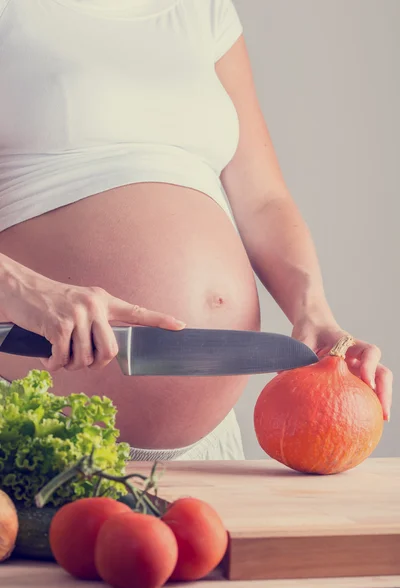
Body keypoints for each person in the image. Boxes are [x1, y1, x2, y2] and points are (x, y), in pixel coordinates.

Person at [0, 0, 392, 461]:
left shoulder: (202, 11)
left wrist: (315, 311)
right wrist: (24, 288)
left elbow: (263, 199)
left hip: (208, 449)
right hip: (32, 422)